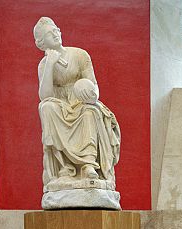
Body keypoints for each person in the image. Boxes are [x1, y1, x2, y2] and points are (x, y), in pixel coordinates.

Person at [34, 16, 121, 190]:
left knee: (90, 111)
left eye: (56, 30)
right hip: (61, 106)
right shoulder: (44, 65)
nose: (55, 34)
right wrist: (50, 64)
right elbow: (45, 96)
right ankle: (65, 167)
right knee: (46, 107)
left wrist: (90, 95)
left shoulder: (80, 55)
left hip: (82, 102)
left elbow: (94, 86)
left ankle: (88, 165)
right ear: (42, 43)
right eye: (50, 34)